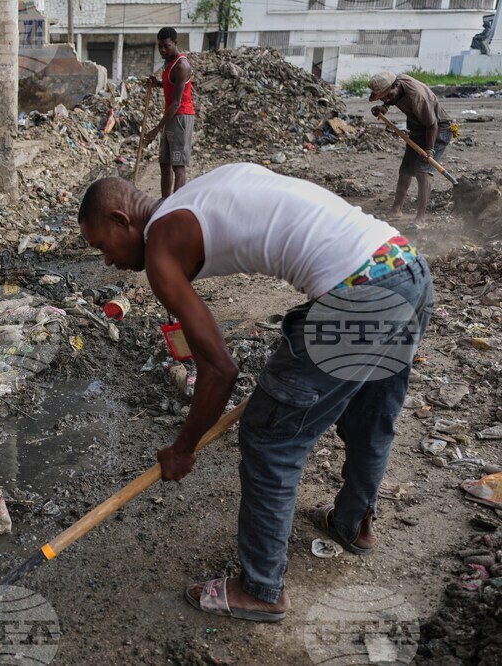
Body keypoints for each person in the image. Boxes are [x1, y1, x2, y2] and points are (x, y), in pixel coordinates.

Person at [78, 164, 433, 622]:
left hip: (357, 295)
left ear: (122, 219)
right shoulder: (196, 195)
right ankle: (352, 523)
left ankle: (261, 590)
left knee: (271, 438)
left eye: (101, 246)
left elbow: (220, 371)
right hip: (405, 268)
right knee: (370, 412)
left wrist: (183, 449)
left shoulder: (161, 243)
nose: (107, 260)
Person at [368, 71, 452, 227]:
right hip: (419, 129)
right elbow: (392, 98)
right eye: (382, 97)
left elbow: (431, 125)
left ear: (396, 86)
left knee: (422, 171)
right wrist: (384, 106)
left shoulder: (417, 97)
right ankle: (396, 210)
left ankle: (421, 219)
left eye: (387, 96)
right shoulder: (394, 85)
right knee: (405, 170)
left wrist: (430, 150)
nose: (386, 99)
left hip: (437, 129)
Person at [144, 27, 195, 197]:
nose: (162, 50)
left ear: (175, 43)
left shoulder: (182, 65)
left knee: (178, 166)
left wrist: (156, 130)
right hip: (171, 116)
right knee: (164, 162)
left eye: (166, 46)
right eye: (160, 46)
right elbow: (171, 85)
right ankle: (165, 202)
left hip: (180, 117)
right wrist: (157, 83)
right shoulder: (168, 62)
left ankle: (176, 207)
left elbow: (176, 102)